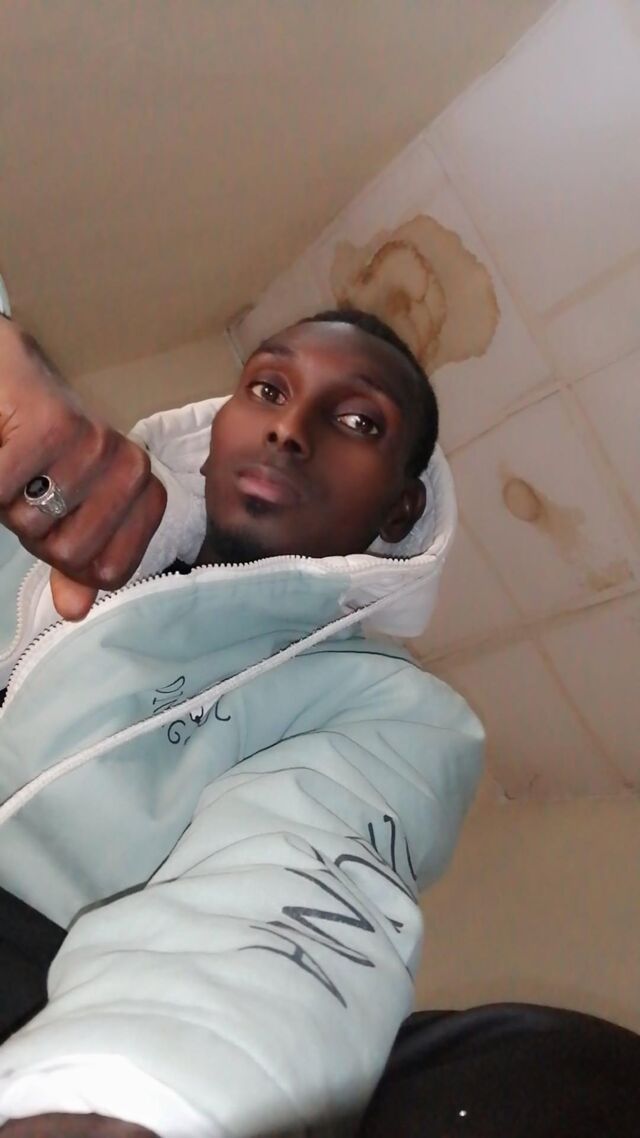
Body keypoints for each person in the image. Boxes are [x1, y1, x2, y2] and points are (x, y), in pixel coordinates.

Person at [0, 309, 482, 1137]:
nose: (288, 430)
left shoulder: (391, 709)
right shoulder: (40, 523)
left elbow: (300, 879)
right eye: (267, 388)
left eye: (358, 422)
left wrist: (138, 1095)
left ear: (401, 510)